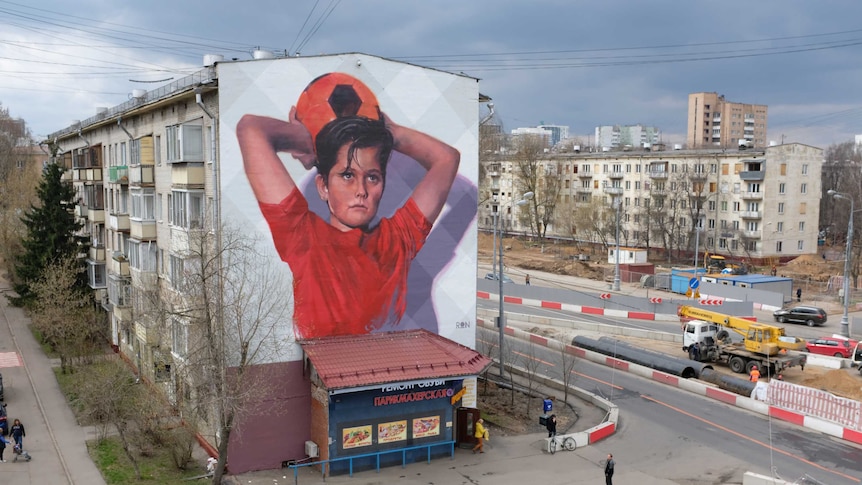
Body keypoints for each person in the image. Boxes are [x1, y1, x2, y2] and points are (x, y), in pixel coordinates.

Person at [238, 75, 460, 339]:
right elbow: (250, 128)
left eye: (372, 177)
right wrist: (310, 138)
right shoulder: (302, 237)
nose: (361, 190)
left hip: (388, 370)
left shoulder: (398, 240)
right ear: (323, 187)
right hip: (327, 373)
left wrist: (390, 133)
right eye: (346, 175)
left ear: (383, 185)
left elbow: (447, 159)